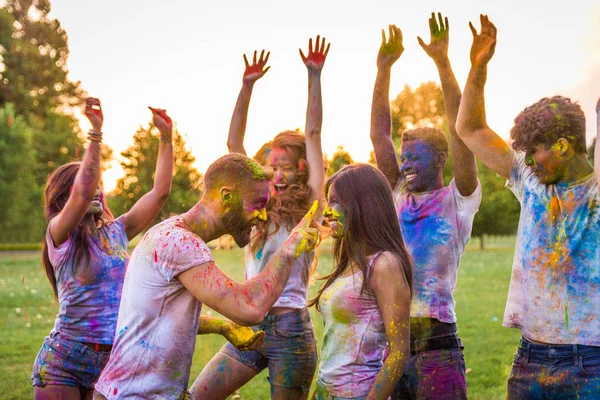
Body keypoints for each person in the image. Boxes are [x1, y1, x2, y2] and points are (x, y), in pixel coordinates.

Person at [93, 153, 319, 399]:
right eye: (257, 203)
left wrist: (221, 326)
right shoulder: (181, 244)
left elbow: (155, 317)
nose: (262, 215)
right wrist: (288, 251)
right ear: (226, 196)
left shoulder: (168, 234)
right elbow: (250, 307)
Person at [456, 14, 600, 399]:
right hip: (530, 356)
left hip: (591, 361)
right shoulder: (533, 182)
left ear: (564, 146)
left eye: (534, 151)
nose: (528, 161)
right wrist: (478, 69)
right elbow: (470, 130)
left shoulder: (596, 194)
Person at [191, 36, 329, 400]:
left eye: (286, 167)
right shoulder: (259, 207)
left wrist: (314, 77)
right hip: (249, 325)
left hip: (290, 330)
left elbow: (313, 133)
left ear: (302, 171)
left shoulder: (309, 206)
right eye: (272, 167)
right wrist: (246, 85)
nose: (278, 175)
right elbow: (233, 143)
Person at [31, 98, 174, 399]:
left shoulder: (118, 232)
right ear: (64, 197)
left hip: (114, 362)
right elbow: (82, 193)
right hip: (63, 362)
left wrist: (165, 138)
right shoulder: (60, 234)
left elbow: (160, 193)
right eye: (89, 182)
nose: (96, 188)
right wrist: (95, 133)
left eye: (100, 184)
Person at [370, 17, 481, 399]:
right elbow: (379, 135)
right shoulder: (397, 194)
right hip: (393, 345)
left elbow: (461, 131)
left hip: (438, 347)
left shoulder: (458, 199)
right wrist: (383, 69)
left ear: (440, 160)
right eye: (404, 158)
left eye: (415, 158)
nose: (405, 165)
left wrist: (443, 63)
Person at [309, 163, 412, 400]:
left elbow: (399, 352)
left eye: (335, 201)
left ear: (362, 205)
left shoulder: (384, 265)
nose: (326, 212)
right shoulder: (350, 262)